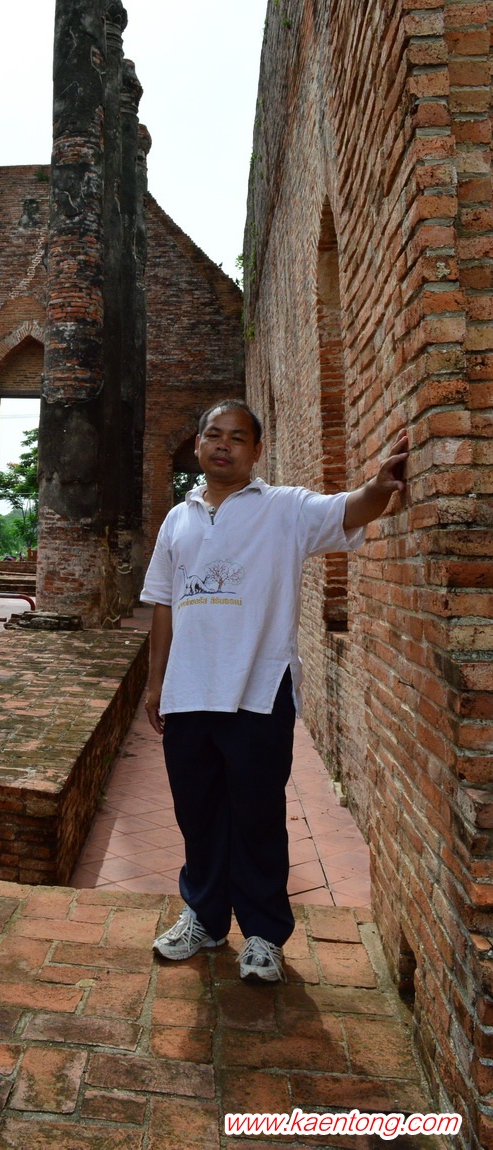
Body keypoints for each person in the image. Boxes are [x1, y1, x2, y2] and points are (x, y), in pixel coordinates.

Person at [141, 400, 409, 982]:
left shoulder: (284, 508)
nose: (224, 445)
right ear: (198, 445)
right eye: (214, 434)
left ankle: (263, 935)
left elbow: (350, 508)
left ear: (256, 451)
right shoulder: (177, 519)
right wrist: (156, 682)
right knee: (197, 815)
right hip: (188, 692)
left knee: (258, 816)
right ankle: (205, 919)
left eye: (238, 437)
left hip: (259, 690)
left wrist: (379, 486)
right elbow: (162, 602)